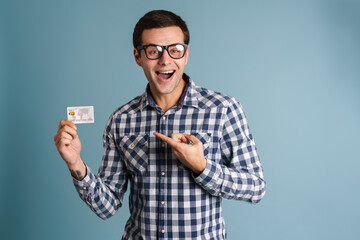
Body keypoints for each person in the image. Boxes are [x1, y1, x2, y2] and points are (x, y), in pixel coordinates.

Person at [54, 10, 266, 239]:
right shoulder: (121, 120)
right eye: (153, 51)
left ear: (186, 55)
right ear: (138, 56)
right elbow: (106, 207)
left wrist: (202, 167)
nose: (165, 60)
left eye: (175, 50)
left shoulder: (224, 109)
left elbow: (255, 187)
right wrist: (75, 163)